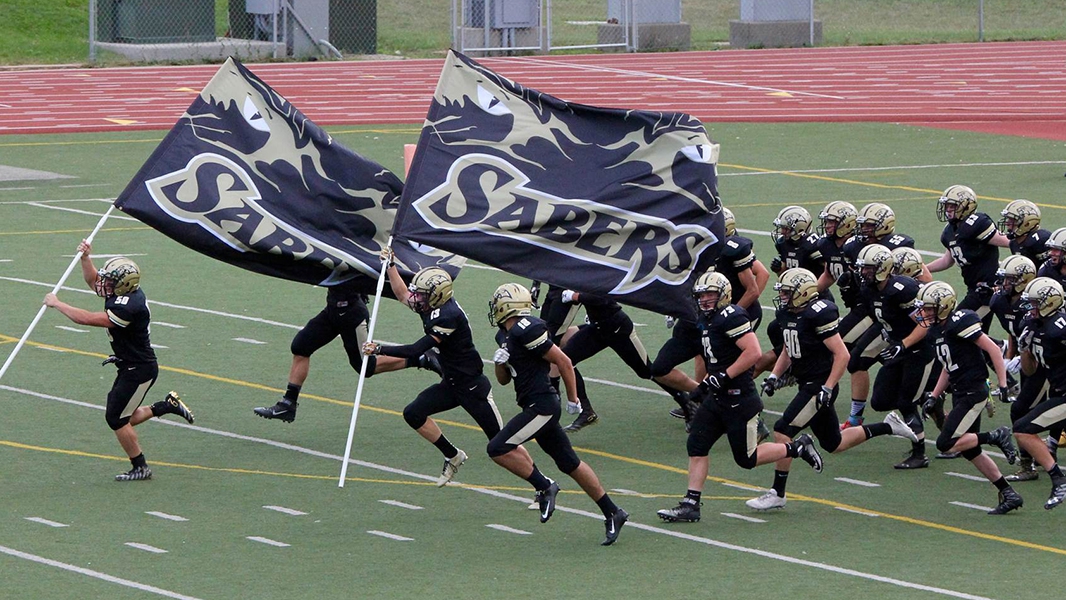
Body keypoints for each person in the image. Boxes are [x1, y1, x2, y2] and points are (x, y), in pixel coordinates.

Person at [656, 272, 824, 522]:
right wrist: (705, 384)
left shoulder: (731, 316)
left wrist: (723, 376)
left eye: (710, 294)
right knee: (697, 445)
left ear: (723, 294)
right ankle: (691, 504)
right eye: (701, 295)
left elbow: (753, 352)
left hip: (738, 398)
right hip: (717, 396)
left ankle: (797, 447)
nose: (704, 300)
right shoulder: (706, 318)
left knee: (747, 459)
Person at [747, 269, 917, 511]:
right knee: (834, 443)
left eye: (787, 292)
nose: (783, 297)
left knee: (783, 430)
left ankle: (778, 492)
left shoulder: (819, 313)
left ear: (802, 293)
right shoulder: (787, 312)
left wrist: (828, 387)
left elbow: (842, 354)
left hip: (819, 384)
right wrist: (775, 375)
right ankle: (890, 426)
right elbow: (789, 348)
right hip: (808, 381)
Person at [362, 261, 529, 487]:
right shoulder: (432, 306)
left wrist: (379, 348)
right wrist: (390, 264)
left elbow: (414, 349)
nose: (416, 298)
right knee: (413, 413)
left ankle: (542, 484)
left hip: (472, 387)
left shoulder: (447, 316)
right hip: (451, 383)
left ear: (436, 296)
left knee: (503, 445)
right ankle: (453, 455)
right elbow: (402, 295)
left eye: (421, 295)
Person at [487, 283, 628, 545]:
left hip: (542, 406)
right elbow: (504, 380)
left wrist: (574, 399)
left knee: (498, 447)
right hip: (531, 404)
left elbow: (562, 360)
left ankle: (544, 486)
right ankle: (613, 512)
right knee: (569, 463)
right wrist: (499, 363)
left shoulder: (528, 329)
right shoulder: (504, 336)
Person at [43, 240, 194, 482]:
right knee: (123, 415)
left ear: (123, 285)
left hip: (139, 369)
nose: (104, 283)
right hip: (129, 364)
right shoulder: (122, 293)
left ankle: (141, 466)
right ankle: (165, 406)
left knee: (117, 418)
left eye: (110, 281)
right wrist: (86, 258)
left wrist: (58, 304)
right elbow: (94, 282)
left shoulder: (129, 307)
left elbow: (88, 319)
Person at [253, 275, 441, 423]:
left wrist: (360, 290)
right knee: (300, 346)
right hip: (332, 311)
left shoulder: (349, 248)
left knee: (365, 366)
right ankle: (288, 403)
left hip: (352, 315)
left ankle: (422, 358)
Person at [914, 281, 1022, 515]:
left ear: (944, 306)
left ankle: (996, 435)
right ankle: (1009, 493)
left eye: (930, 308)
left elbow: (993, 349)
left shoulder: (960, 321)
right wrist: (934, 394)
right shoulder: (936, 330)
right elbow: (947, 365)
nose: (926, 313)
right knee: (970, 450)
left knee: (947, 444)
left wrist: (1003, 383)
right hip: (961, 391)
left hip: (974, 392)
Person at [837, 202, 926, 429]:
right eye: (863, 225)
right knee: (856, 360)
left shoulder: (899, 253)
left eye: (869, 226)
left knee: (916, 386)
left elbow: (925, 281)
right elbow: (859, 289)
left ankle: (932, 400)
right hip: (882, 316)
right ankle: (856, 417)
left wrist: (903, 343)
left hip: (908, 319)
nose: (863, 230)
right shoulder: (858, 255)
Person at [856, 244, 937, 469]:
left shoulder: (903, 288)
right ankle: (925, 397)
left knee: (906, 402)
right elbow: (882, 320)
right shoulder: (870, 289)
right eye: (863, 268)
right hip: (899, 348)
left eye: (868, 269)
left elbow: (925, 323)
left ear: (882, 268)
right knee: (880, 400)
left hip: (920, 350)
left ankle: (919, 453)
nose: (864, 273)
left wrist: (903, 344)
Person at [554, 290, 654, 432]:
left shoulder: (598, 272)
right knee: (566, 359)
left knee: (647, 371)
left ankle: (686, 400)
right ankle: (586, 410)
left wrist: (575, 296)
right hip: (598, 328)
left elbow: (601, 297)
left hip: (617, 328)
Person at [987, 255, 1045, 481]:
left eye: (1010, 280)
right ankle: (1037, 454)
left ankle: (1029, 463)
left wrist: (1027, 354)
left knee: (1022, 411)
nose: (1004, 285)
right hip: (1028, 359)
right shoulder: (1000, 302)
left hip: (1045, 363)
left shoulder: (1035, 302)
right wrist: (1012, 355)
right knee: (1031, 410)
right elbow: (1014, 332)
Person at [926, 185, 1010, 333]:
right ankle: (998, 349)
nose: (948, 210)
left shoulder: (976, 223)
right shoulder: (949, 231)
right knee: (974, 334)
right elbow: (947, 260)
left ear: (966, 206)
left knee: (954, 329)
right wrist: (923, 269)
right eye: (946, 206)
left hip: (987, 291)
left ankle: (1000, 348)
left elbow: (1008, 242)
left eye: (952, 206)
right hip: (973, 290)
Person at [1012, 277, 1066, 509]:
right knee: (1023, 428)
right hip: (1059, 393)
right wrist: (1025, 349)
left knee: (1023, 428)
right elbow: (1030, 370)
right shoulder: (1035, 325)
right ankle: (1058, 480)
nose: (1030, 309)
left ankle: (1059, 481)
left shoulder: (1060, 326)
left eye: (1035, 304)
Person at [999, 199, 1050, 267]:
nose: (1007, 223)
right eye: (1008, 219)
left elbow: (1051, 270)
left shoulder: (1039, 240)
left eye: (1013, 220)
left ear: (1027, 224)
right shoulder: (1014, 243)